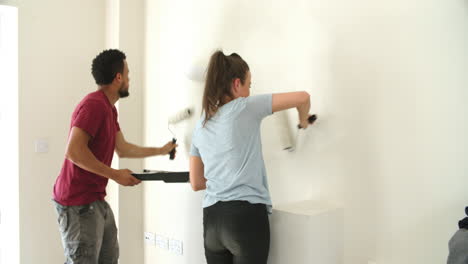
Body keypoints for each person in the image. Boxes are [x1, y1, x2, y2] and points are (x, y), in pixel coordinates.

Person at [52, 49, 177, 264]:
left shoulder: (109, 110)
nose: (129, 79)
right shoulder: (94, 105)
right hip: (77, 203)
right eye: (127, 74)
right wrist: (115, 175)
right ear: (118, 77)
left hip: (95, 199)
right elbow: (74, 151)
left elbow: (123, 148)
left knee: (109, 258)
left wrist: (161, 150)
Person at [189, 50, 312, 264]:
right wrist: (303, 123)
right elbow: (303, 98)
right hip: (244, 217)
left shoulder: (201, 124)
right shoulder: (244, 107)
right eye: (249, 85)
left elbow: (196, 182)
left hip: (212, 221)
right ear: (237, 84)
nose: (249, 92)